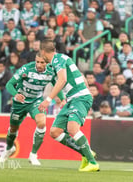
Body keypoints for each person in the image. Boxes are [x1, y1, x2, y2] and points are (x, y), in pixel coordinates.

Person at [38, 39, 99, 172]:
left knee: (72, 128)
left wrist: (48, 99)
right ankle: (85, 152)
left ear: (43, 52)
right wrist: (62, 99)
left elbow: (63, 79)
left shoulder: (57, 59)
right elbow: (79, 76)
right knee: (54, 132)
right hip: (72, 99)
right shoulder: (56, 64)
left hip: (80, 98)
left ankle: (93, 163)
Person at [0, 53, 63, 165]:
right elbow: (9, 84)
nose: (38, 64)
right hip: (20, 102)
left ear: (47, 63)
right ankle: (9, 148)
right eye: (37, 61)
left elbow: (57, 85)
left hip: (36, 101)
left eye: (42, 62)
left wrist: (62, 98)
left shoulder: (50, 72)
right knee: (13, 129)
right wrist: (15, 94)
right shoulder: (26, 69)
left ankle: (33, 155)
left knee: (42, 123)